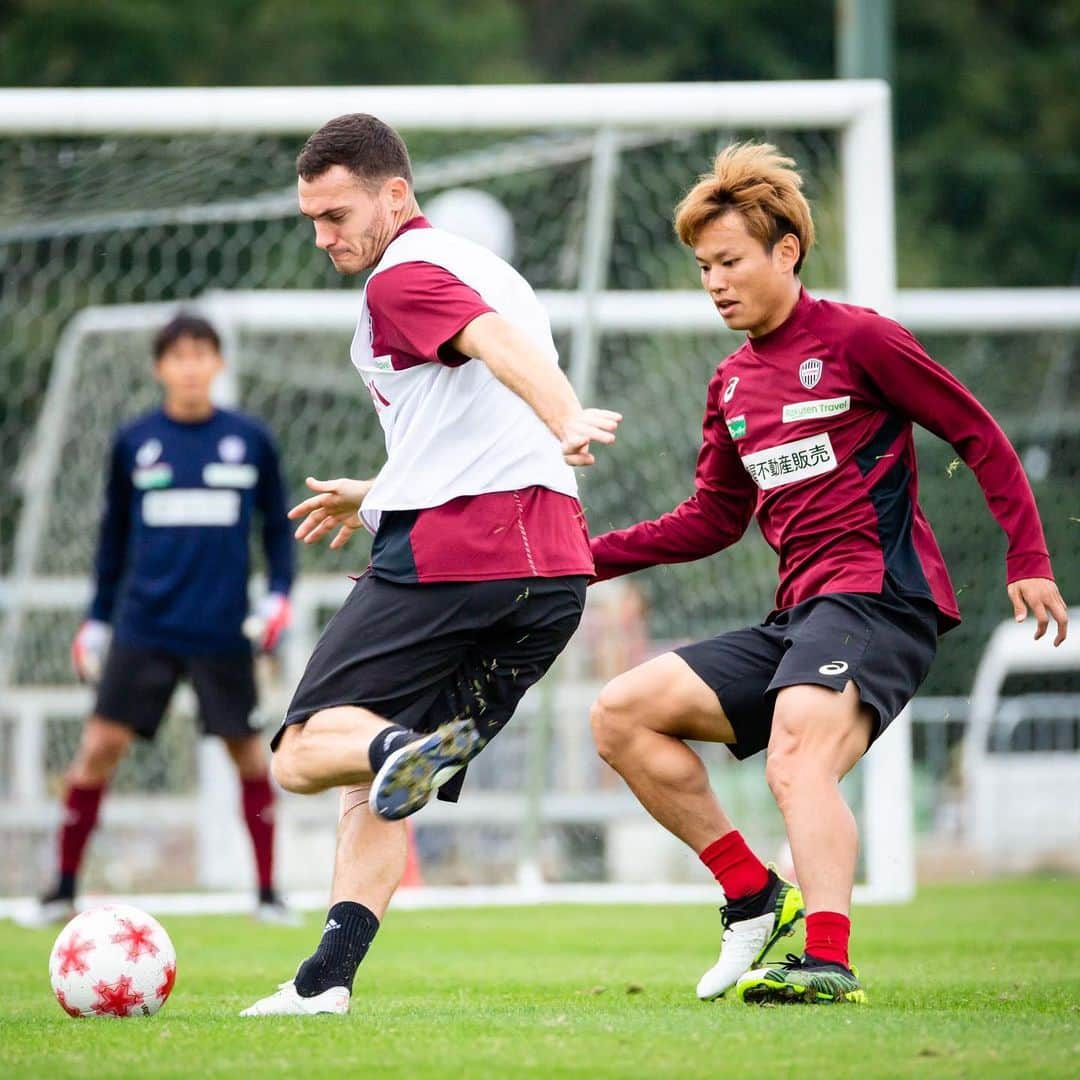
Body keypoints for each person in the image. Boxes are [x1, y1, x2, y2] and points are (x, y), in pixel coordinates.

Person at [587, 143, 1068, 1005]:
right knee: (620, 715)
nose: (715, 283)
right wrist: (579, 560)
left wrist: (1028, 555)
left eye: (729, 261)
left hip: (882, 599)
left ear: (786, 251)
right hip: (801, 615)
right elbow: (711, 520)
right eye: (703, 267)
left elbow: (979, 435)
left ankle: (829, 962)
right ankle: (752, 893)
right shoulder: (730, 384)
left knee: (796, 757)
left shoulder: (858, 339)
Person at [241, 114, 620, 1016]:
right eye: (313, 219)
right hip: (553, 572)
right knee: (371, 782)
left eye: (335, 214)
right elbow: (476, 426)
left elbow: (490, 347)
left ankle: (395, 746)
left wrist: (567, 414)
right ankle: (324, 981)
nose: (323, 236)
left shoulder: (401, 278)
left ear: (396, 194)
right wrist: (376, 492)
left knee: (301, 753)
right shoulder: (491, 270)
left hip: (459, 554)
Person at [25, 314, 297, 926]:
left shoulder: (250, 440)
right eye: (179, 356)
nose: (192, 366)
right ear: (160, 368)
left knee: (250, 756)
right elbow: (112, 541)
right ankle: (62, 887)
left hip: (222, 627)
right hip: (145, 625)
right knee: (99, 746)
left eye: (202, 354)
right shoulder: (135, 441)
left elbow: (277, 532)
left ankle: (268, 893)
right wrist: (96, 621)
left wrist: (279, 595)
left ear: (219, 364)